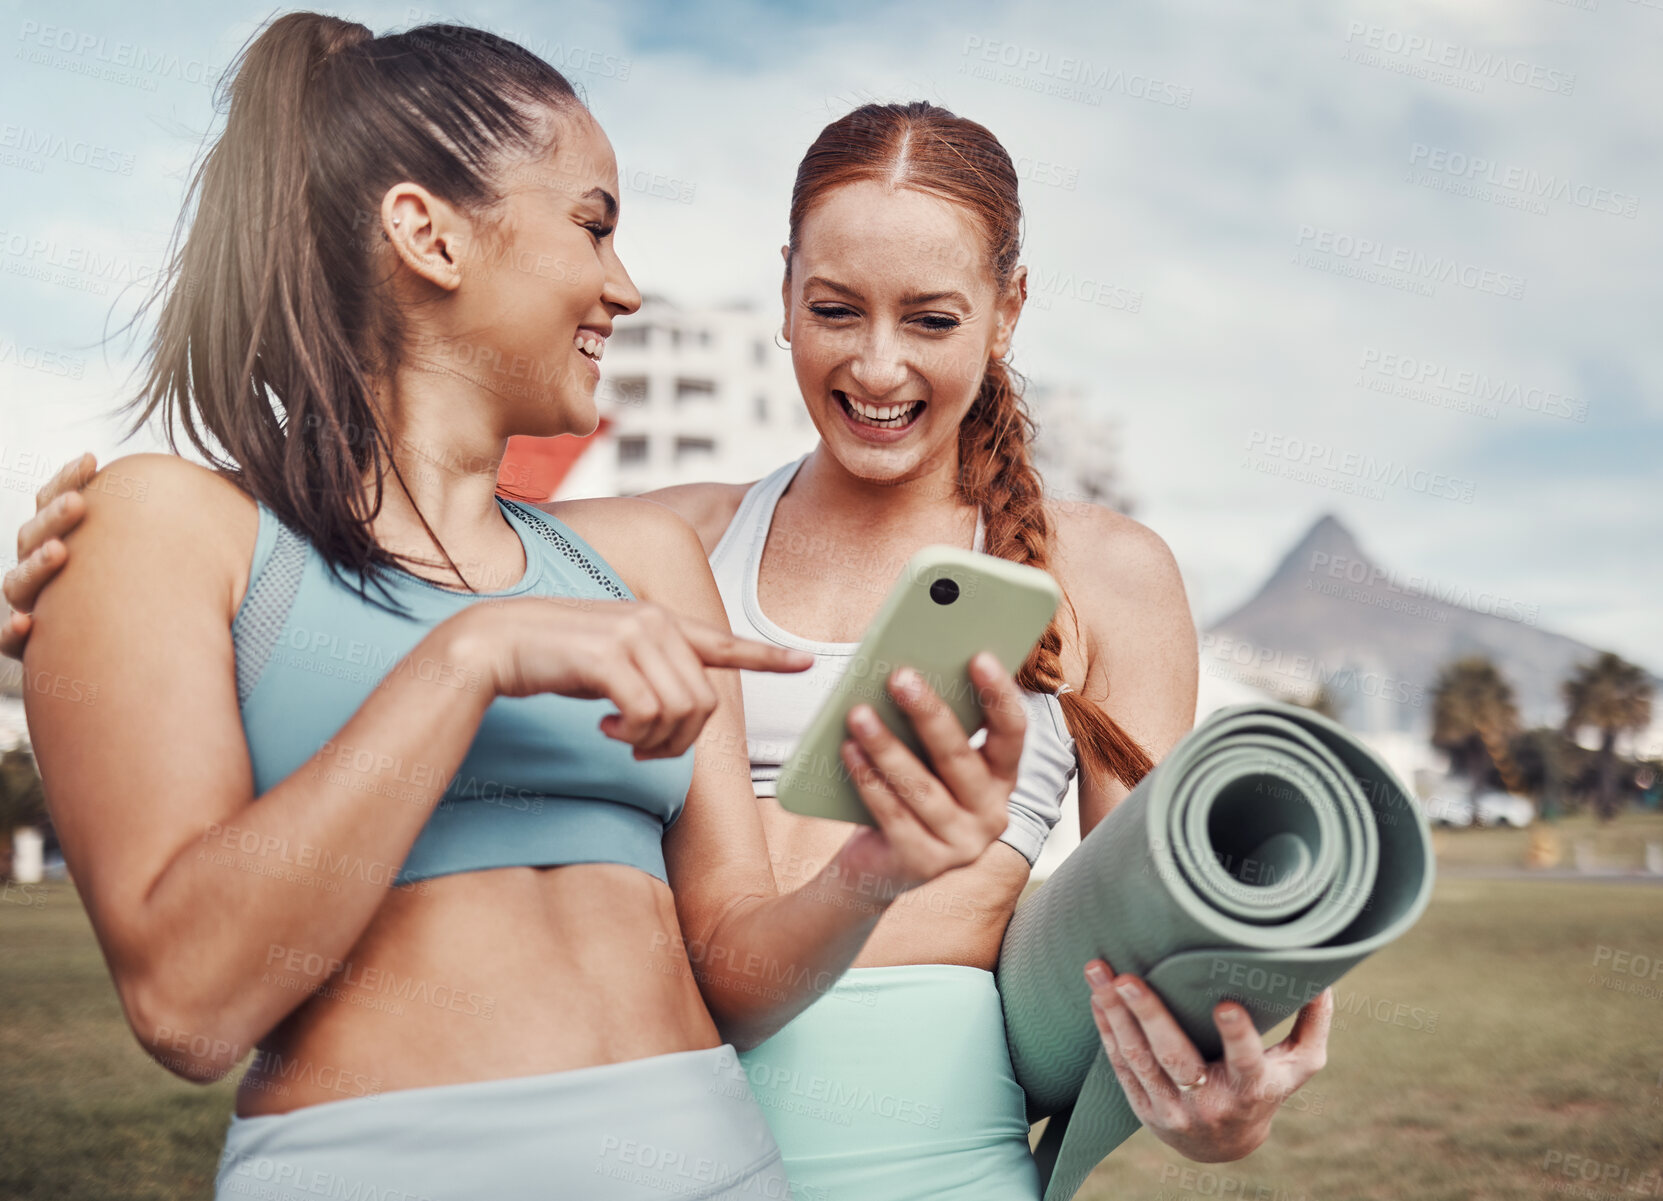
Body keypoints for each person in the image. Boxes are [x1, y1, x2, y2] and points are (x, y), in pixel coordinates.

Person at [5, 97, 1333, 1201]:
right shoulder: (657, 538)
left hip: (923, 1144)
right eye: (834, 309)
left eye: (931, 319)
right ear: (783, 298)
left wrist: (1214, 1104)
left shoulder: (1106, 574)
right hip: (682, 1113)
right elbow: (381, 562)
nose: (877, 366)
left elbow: (1151, 932)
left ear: (1008, 309)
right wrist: (74, 612)